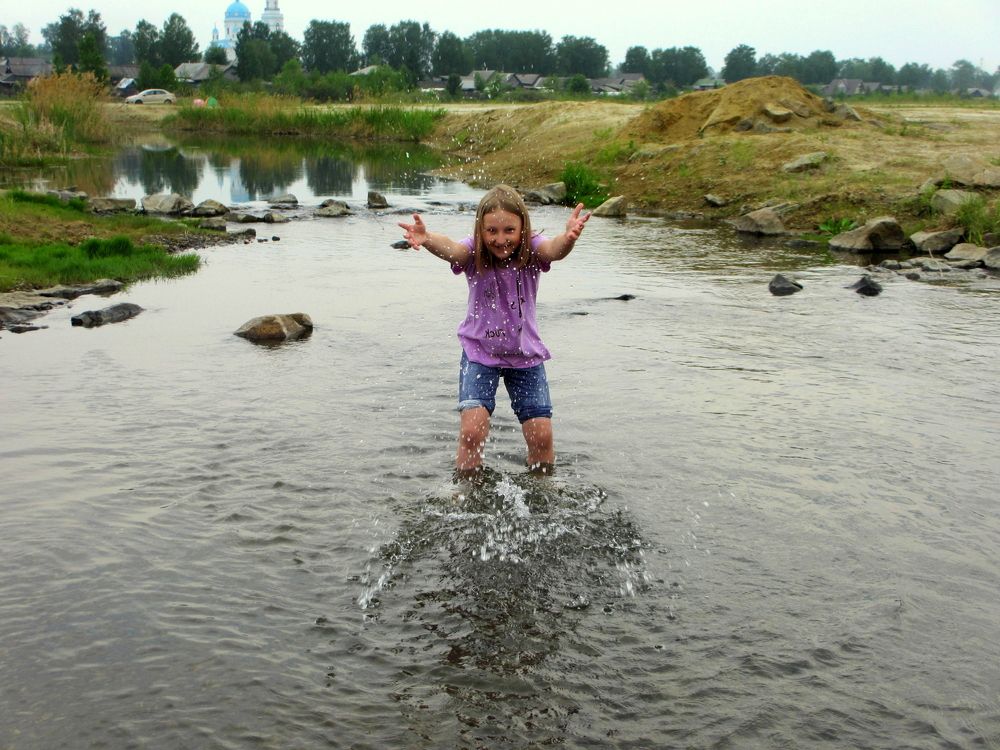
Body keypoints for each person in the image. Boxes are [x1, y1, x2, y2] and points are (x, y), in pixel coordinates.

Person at [398, 185, 590, 475]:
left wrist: (569, 238)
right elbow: (454, 250)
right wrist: (427, 239)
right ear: (481, 230)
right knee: (472, 432)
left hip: (525, 356)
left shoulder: (534, 249)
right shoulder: (474, 251)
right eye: (492, 232)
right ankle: (466, 490)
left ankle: (543, 490)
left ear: (523, 227)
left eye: (509, 230)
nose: (500, 240)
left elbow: (555, 250)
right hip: (480, 353)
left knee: (542, 435)